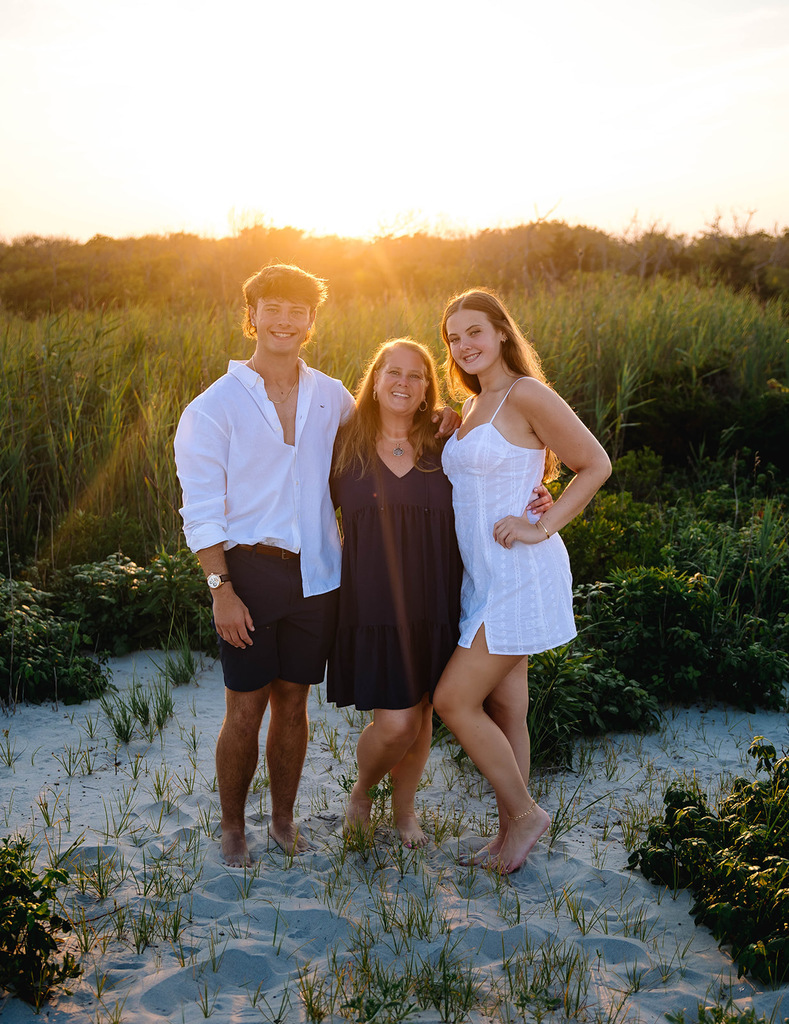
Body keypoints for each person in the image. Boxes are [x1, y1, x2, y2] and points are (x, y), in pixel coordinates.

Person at [174, 264, 459, 868]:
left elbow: (385, 431)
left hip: (319, 576)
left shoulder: (332, 396)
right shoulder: (213, 406)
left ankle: (282, 819)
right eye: (272, 308)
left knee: (294, 703)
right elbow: (199, 510)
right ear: (251, 316)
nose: (284, 321)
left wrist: (443, 420)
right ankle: (233, 826)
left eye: (296, 311)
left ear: (310, 322)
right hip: (247, 573)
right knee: (244, 707)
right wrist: (221, 588)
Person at [327, 338, 552, 848]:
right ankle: (362, 791)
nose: (403, 383)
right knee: (396, 723)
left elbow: (498, 474)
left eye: (417, 375)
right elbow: (303, 507)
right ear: (375, 380)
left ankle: (405, 812)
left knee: (424, 713)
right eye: (393, 372)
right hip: (373, 603)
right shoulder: (343, 445)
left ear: (428, 387)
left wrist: (537, 497)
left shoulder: (444, 441)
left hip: (437, 599)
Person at [433, 287, 612, 875]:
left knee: (453, 700)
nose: (464, 345)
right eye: (453, 338)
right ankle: (509, 833)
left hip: (518, 573)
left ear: (502, 332)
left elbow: (595, 463)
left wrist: (543, 524)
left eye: (474, 332)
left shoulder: (525, 393)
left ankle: (526, 815)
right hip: (481, 577)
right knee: (509, 708)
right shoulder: (472, 406)